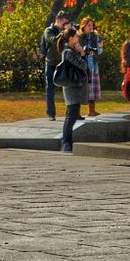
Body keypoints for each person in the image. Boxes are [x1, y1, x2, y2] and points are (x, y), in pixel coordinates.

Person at [55, 25, 88, 153]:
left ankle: (67, 142)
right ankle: (66, 143)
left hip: (74, 87)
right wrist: (82, 54)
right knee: (71, 116)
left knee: (71, 115)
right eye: (75, 36)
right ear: (70, 38)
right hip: (72, 88)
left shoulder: (70, 51)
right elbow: (83, 65)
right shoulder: (68, 52)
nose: (77, 38)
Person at [40, 10, 70, 120]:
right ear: (59, 20)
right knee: (50, 89)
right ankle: (51, 114)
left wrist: (70, 32)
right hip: (51, 63)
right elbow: (53, 40)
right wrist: (63, 33)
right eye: (64, 23)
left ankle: (70, 113)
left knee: (68, 88)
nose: (65, 25)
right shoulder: (49, 30)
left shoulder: (64, 31)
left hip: (62, 63)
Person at [78, 17, 103, 117]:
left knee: (93, 89)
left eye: (92, 25)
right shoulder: (79, 37)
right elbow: (77, 50)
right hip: (83, 65)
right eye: (89, 25)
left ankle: (91, 111)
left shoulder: (95, 37)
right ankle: (77, 112)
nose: (91, 27)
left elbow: (99, 52)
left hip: (93, 66)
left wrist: (100, 47)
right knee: (82, 89)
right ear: (83, 26)